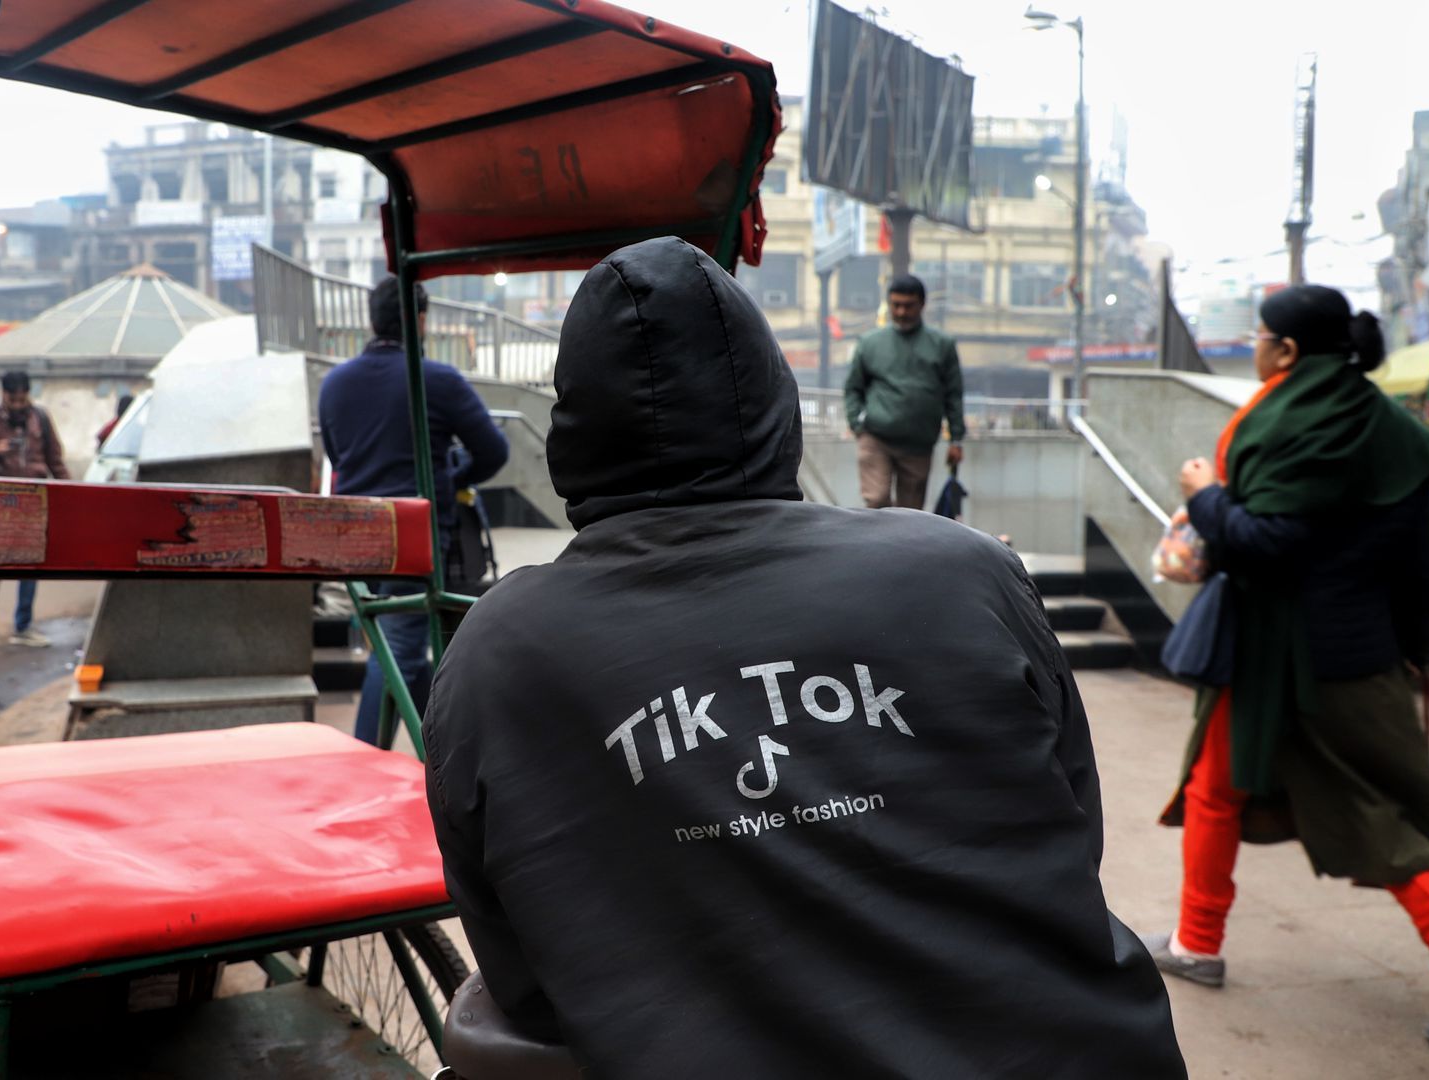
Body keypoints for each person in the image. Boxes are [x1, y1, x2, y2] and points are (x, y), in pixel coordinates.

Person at [423, 238, 1183, 1078]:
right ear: (774, 399)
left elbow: (525, 978)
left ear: (573, 427)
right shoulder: (969, 571)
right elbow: (1073, 844)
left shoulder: (498, 652)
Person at [1149, 284, 1429, 1052]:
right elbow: (1419, 562)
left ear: (1287, 352)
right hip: (1358, 648)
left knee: (1375, 820)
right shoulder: (1385, 424)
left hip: (1292, 660)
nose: (1255, 350)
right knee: (1216, 787)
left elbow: (1266, 546)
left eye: (1260, 338)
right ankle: (1197, 941)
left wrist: (1204, 498)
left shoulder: (1289, 421)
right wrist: (1414, 647)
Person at [317, 276, 508, 743]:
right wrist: (452, 476)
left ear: (370, 320)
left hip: (354, 543)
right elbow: (493, 451)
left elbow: (340, 459)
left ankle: (454, 751)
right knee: (398, 652)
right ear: (421, 320)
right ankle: (363, 763)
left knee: (400, 647)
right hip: (413, 539)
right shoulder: (435, 381)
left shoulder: (334, 385)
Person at [0, 370, 69, 652]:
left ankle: (23, 627)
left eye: (23, 399)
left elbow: (55, 461)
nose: (19, 405)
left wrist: (70, 493)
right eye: (13, 399)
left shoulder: (41, 419)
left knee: (30, 565)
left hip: (33, 502)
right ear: (4, 395)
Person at [843, 273, 966, 509]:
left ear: (922, 304)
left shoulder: (942, 345)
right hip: (876, 438)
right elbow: (853, 388)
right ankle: (876, 547)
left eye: (908, 306)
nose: (901, 312)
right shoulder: (869, 343)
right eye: (896, 305)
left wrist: (956, 440)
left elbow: (954, 394)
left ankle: (898, 547)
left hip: (919, 444)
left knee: (910, 515)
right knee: (876, 500)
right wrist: (857, 423)